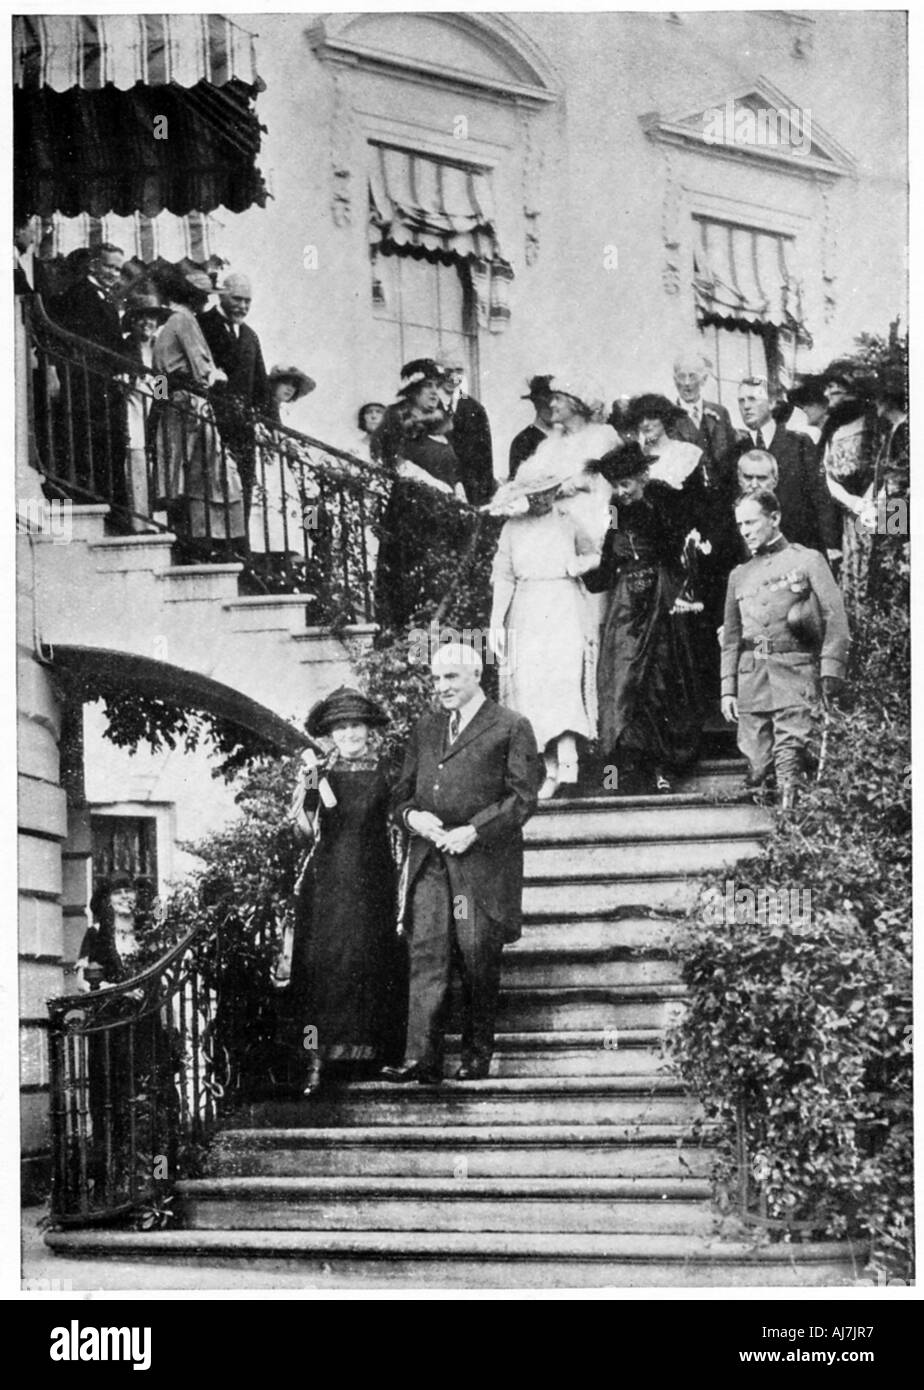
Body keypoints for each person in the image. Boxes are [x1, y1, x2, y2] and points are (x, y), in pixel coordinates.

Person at [384, 643, 542, 1083]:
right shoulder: (427, 727)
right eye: (436, 679)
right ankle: (422, 1058)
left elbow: (523, 798)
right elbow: (400, 795)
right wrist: (413, 817)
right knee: (427, 952)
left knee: (476, 955)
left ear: (476, 676)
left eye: (451, 677)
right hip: (430, 857)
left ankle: (476, 1055)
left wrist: (474, 830)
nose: (442, 687)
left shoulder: (511, 726)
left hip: (481, 863)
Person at [287, 688, 406, 1095]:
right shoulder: (318, 773)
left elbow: (399, 826)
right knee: (327, 963)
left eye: (356, 725)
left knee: (372, 958)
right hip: (329, 882)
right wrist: (308, 794)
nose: (349, 733)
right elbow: (303, 833)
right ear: (330, 734)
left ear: (369, 730)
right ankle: (318, 1061)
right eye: (341, 727)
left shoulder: (390, 773)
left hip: (375, 879)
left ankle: (376, 1055)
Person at [584, 442, 705, 793]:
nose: (622, 492)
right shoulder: (617, 507)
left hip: (659, 599)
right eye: (616, 486)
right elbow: (611, 545)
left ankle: (661, 771)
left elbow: (677, 549)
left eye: (627, 484)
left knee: (658, 680)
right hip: (626, 603)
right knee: (620, 683)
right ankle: (614, 777)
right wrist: (594, 574)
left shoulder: (663, 499)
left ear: (642, 476)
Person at [721, 489, 850, 809]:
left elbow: (835, 619)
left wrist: (831, 670)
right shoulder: (739, 575)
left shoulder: (807, 560)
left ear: (774, 518)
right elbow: (733, 638)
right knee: (758, 768)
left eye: (751, 522)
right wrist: (728, 689)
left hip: (795, 673)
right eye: (740, 525)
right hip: (753, 678)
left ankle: (790, 829)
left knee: (790, 761)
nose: (745, 530)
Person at [488, 461, 599, 797]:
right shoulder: (512, 528)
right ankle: (550, 770)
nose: (540, 500)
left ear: (554, 491)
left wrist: (579, 564)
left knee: (562, 682)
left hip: (563, 603)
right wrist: (495, 621)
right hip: (527, 608)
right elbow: (504, 576)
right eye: (533, 495)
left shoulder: (568, 521)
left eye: (546, 493)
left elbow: (594, 554)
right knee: (534, 687)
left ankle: (569, 765)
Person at [152, 267, 245, 558]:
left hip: (175, 402)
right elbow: (202, 367)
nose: (206, 302)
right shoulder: (184, 320)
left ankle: (194, 540)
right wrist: (218, 378)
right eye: (203, 296)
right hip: (189, 402)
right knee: (206, 470)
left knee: (183, 470)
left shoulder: (168, 323)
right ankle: (205, 542)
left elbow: (161, 377)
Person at [372, 359, 469, 629]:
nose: (434, 393)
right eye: (427, 386)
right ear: (412, 390)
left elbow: (453, 469)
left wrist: (459, 494)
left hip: (445, 516)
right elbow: (394, 461)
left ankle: (435, 653)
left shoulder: (442, 424)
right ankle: (408, 652)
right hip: (411, 513)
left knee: (442, 586)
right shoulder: (397, 418)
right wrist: (434, 486)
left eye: (438, 386)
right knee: (410, 586)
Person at [48, 243, 127, 499]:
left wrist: (157, 394)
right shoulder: (80, 294)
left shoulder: (109, 300)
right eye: (109, 266)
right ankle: (99, 500)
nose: (114, 273)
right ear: (94, 265)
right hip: (91, 381)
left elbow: (158, 374)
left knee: (117, 446)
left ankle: (119, 507)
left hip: (119, 389)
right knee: (91, 443)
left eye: (118, 269)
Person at [735, 376, 839, 561]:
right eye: (741, 400)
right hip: (755, 558)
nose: (746, 406)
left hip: (798, 548)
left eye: (753, 399)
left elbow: (820, 496)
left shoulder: (800, 444)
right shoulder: (735, 451)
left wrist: (830, 544)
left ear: (773, 402)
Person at [199, 272, 271, 519]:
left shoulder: (250, 336)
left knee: (243, 484)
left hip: (242, 426)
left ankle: (240, 544)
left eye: (247, 301)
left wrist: (274, 429)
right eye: (237, 299)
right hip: (210, 419)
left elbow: (261, 385)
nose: (243, 306)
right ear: (223, 297)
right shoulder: (202, 324)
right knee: (211, 484)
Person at [819, 364, 878, 612]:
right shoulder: (831, 429)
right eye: (827, 386)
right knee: (852, 581)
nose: (828, 392)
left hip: (882, 508)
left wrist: (870, 501)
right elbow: (826, 476)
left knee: (880, 571)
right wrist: (852, 502)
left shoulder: (876, 422)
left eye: (834, 386)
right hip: (849, 513)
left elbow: (887, 468)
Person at [250, 364, 317, 564]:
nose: (290, 389)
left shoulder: (281, 410)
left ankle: (301, 546)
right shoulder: (264, 405)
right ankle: (267, 548)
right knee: (271, 498)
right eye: (285, 383)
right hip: (266, 457)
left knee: (305, 499)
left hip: (287, 464)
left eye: (294, 386)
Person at [120, 289, 169, 530]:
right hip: (133, 409)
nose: (147, 323)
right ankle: (140, 521)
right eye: (141, 317)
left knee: (157, 463)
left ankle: (158, 519)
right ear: (132, 321)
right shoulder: (125, 347)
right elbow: (122, 379)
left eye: (152, 317)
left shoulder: (160, 350)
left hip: (153, 413)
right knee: (137, 460)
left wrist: (159, 397)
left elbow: (162, 388)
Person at [735, 447, 834, 559]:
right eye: (748, 478)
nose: (754, 484)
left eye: (761, 478)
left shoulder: (797, 519)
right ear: (739, 479)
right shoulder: (729, 519)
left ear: (775, 481)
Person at [435, 347, 495, 505]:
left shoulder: (474, 408)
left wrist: (485, 497)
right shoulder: (427, 405)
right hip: (437, 487)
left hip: (470, 491)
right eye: (448, 370)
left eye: (459, 370)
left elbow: (484, 458)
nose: (453, 377)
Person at [670, 348, 737, 478]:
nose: (687, 383)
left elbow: (731, 457)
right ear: (675, 380)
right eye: (681, 376)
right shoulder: (666, 417)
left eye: (692, 376)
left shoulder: (720, 413)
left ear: (704, 379)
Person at [508, 375, 555, 478]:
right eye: (544, 404)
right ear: (535, 404)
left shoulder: (564, 435)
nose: (551, 409)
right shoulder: (523, 441)